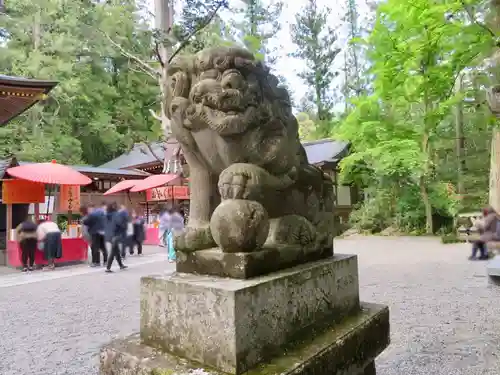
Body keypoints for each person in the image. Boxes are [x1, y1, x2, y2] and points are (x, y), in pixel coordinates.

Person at [104, 202, 128, 273]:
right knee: (113, 251)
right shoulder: (116, 214)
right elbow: (120, 223)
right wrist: (124, 226)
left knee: (116, 251)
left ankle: (121, 265)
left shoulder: (106, 215)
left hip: (108, 235)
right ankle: (108, 268)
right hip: (115, 235)